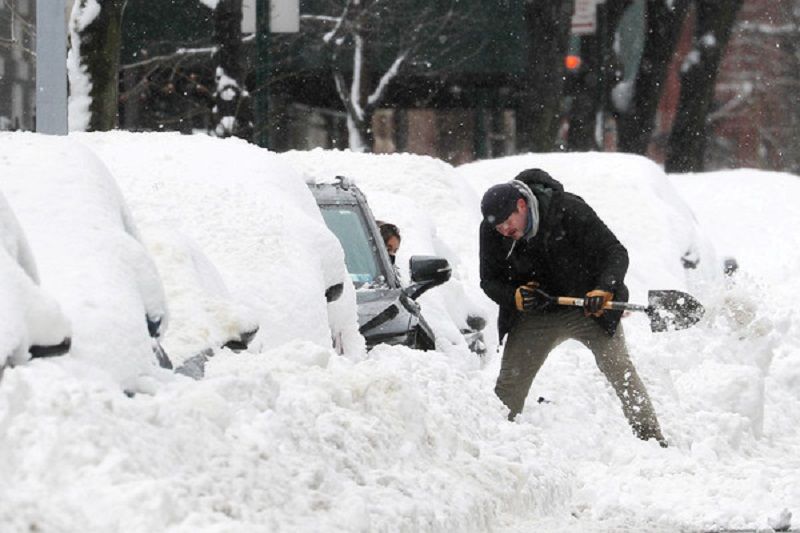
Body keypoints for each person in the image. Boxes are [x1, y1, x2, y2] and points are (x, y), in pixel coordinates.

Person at [479, 168, 666, 446]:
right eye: (499, 228)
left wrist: (604, 288)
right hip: (536, 315)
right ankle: (496, 444)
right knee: (509, 383)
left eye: (508, 222)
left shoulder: (567, 210)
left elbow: (615, 252)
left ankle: (653, 439)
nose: (505, 231)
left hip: (589, 309)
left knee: (620, 369)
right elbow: (488, 281)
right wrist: (514, 296)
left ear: (521, 205)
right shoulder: (493, 231)